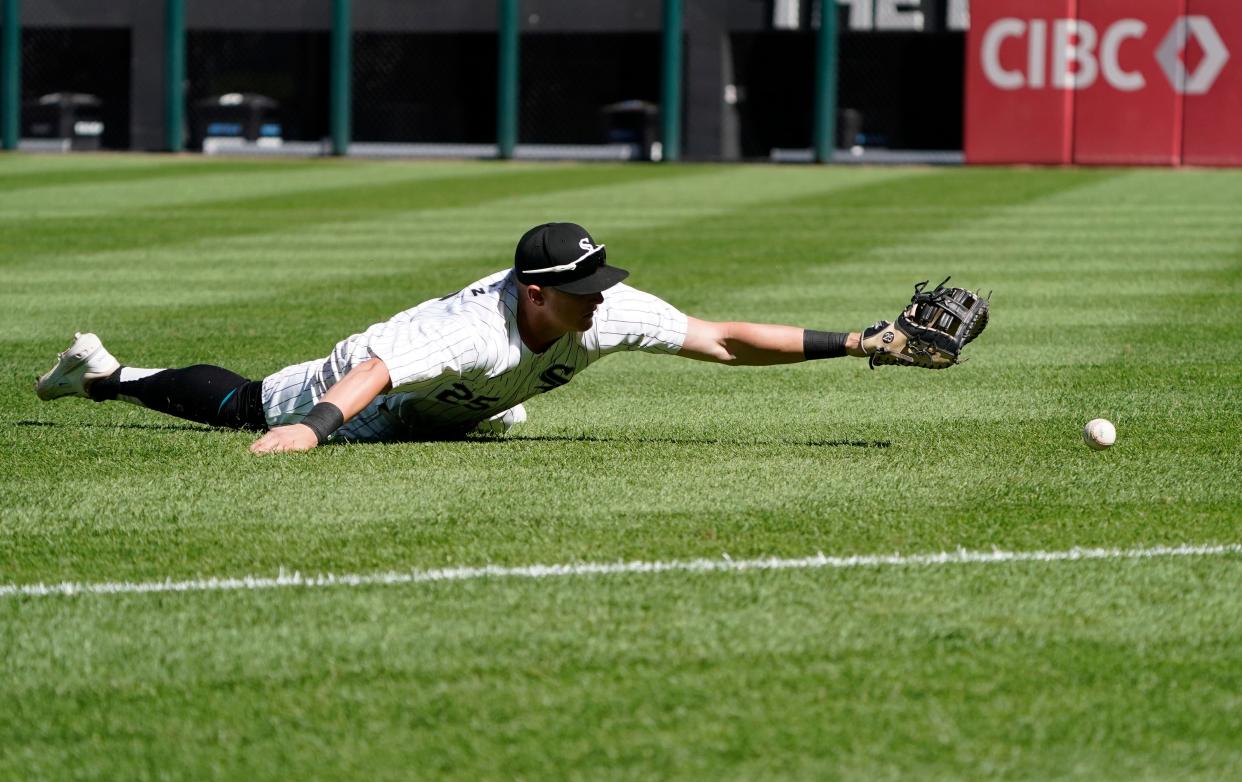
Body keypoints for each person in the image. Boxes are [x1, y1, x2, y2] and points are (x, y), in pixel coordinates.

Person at [33, 222, 907, 455]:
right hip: (364, 390)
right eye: (583, 290)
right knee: (246, 403)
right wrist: (311, 427)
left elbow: (720, 339)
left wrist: (864, 341)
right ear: (535, 294)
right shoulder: (467, 333)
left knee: (484, 413)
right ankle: (106, 375)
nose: (603, 302)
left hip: (448, 401)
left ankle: (474, 414)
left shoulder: (600, 311)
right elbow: (375, 371)